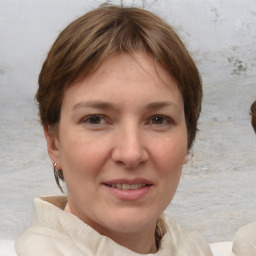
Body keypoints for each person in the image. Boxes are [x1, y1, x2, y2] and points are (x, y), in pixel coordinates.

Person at [15, 5, 213, 256]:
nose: (131, 153)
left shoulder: (196, 249)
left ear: (188, 140)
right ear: (54, 142)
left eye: (158, 120)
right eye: (96, 119)